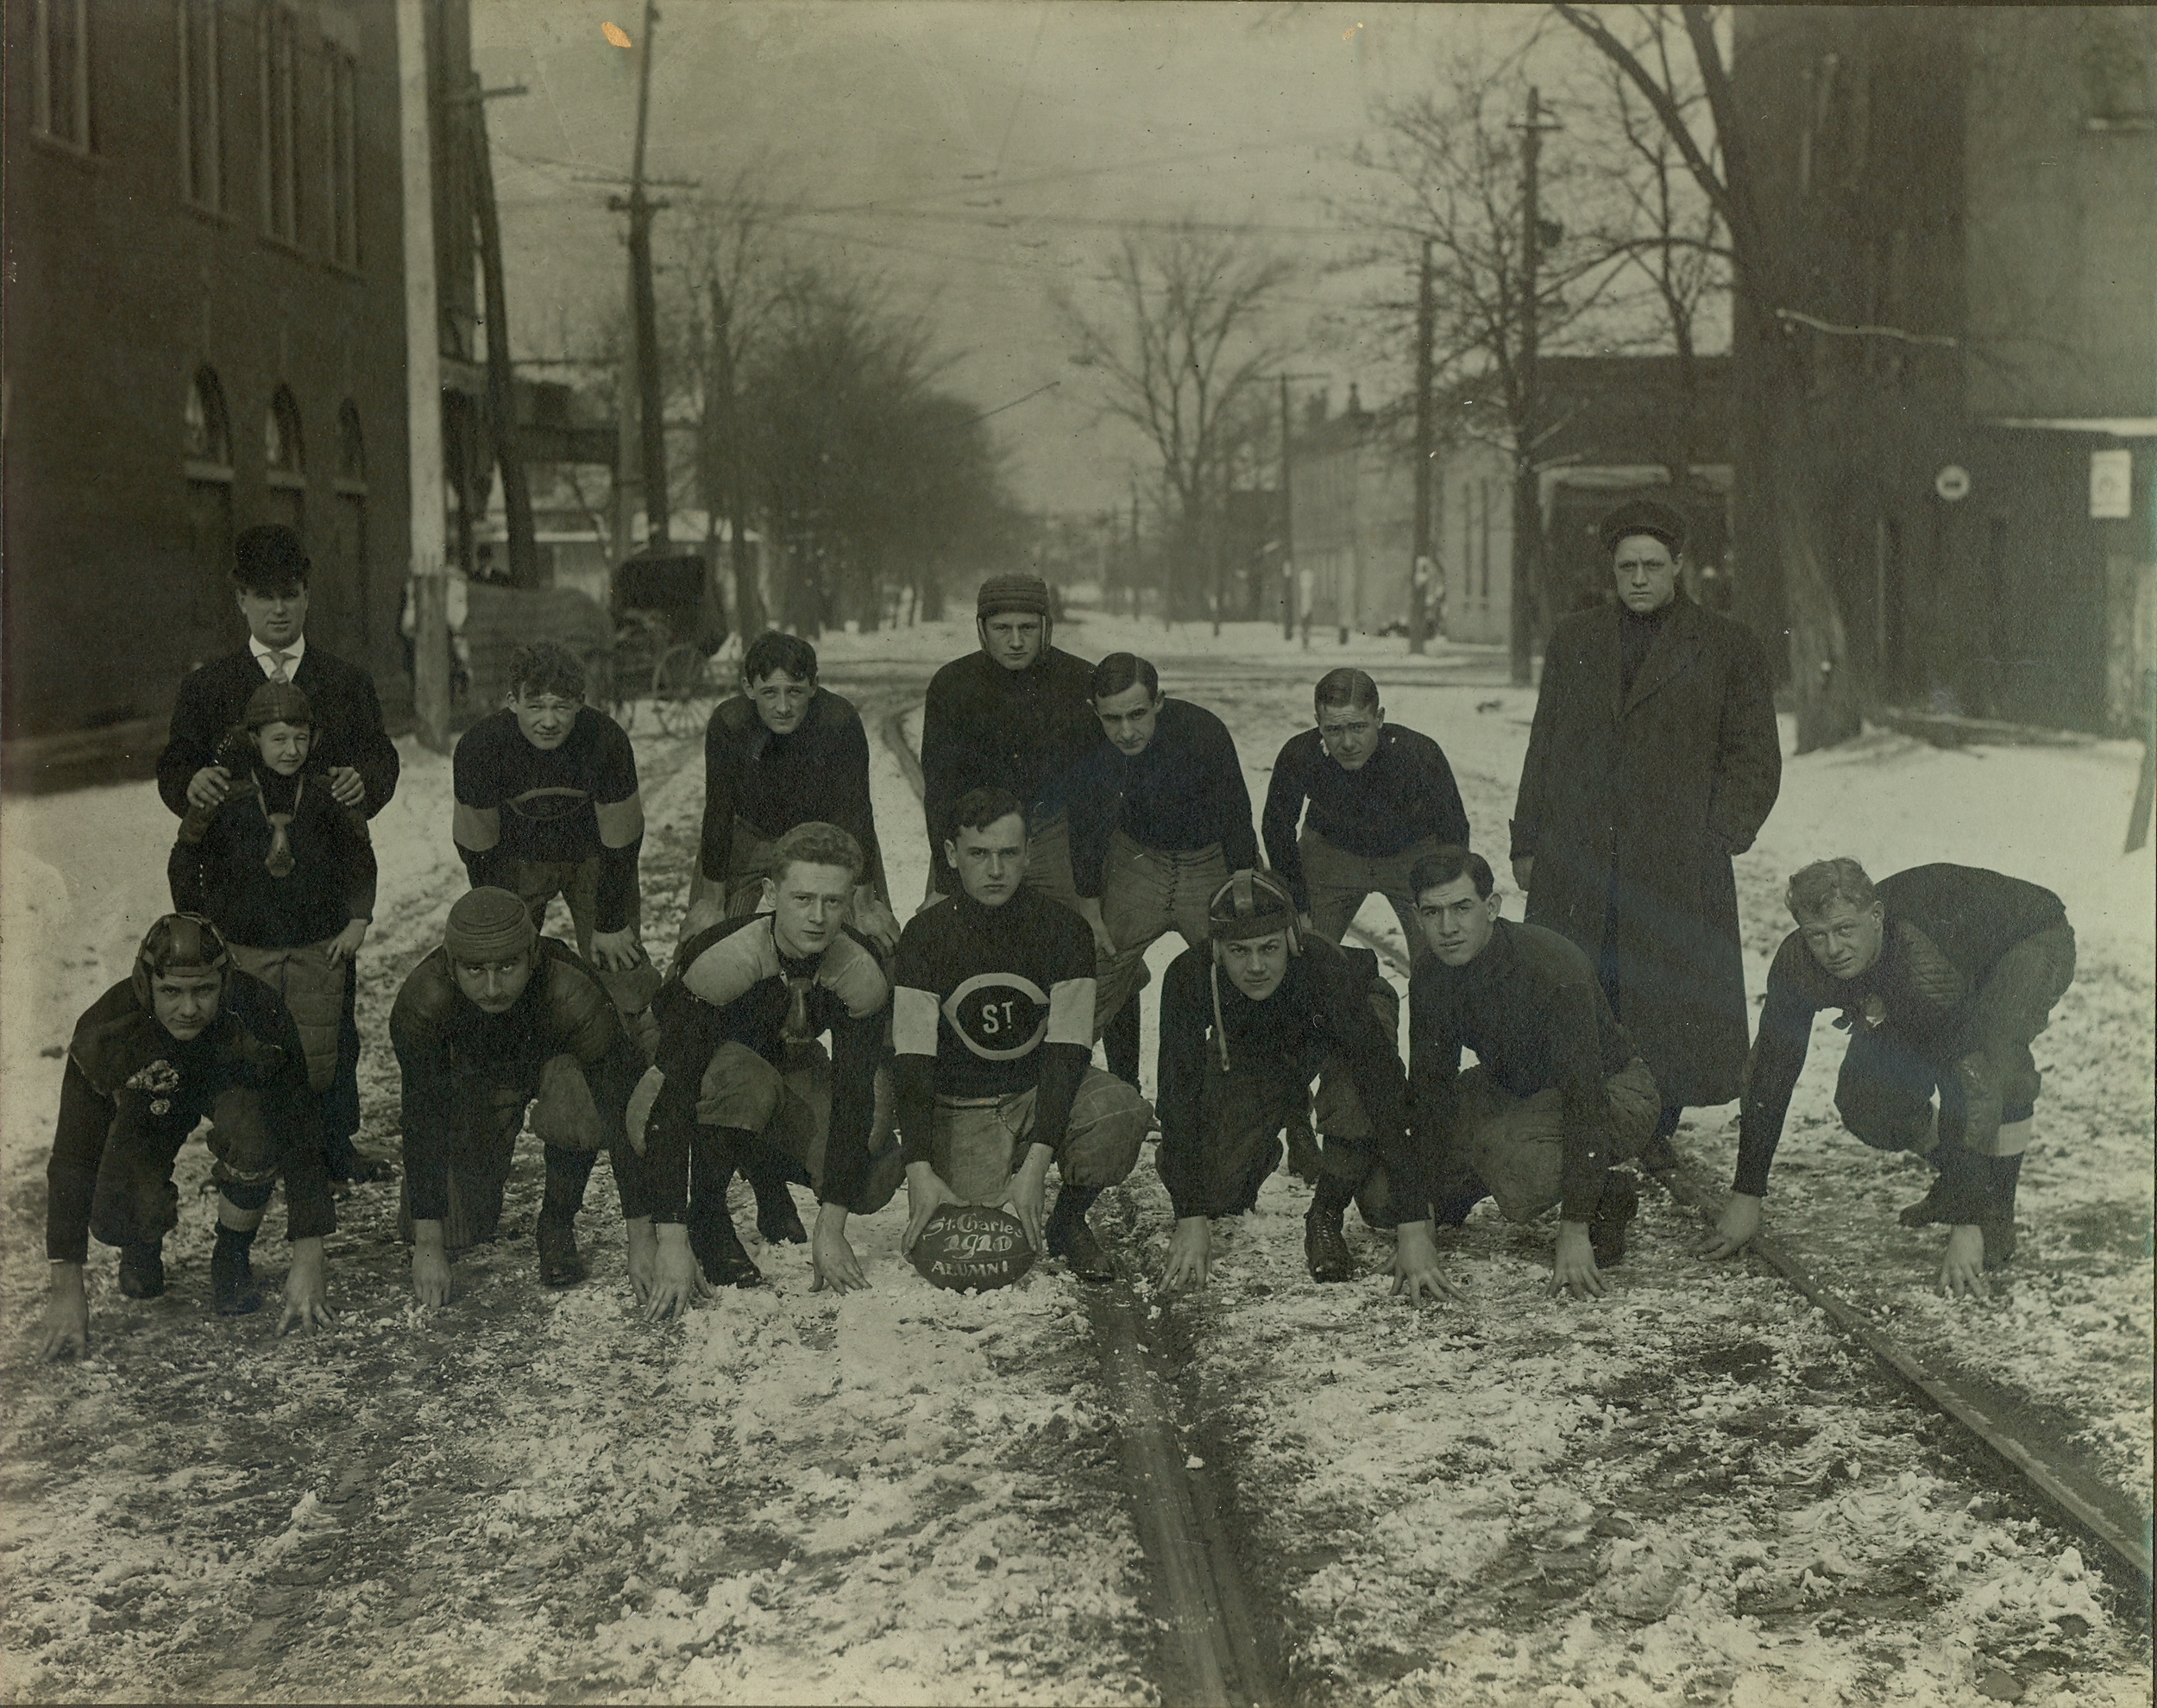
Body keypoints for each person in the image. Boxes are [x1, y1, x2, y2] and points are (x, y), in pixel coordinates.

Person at [1509, 498, 1781, 1167]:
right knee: (1585, 977)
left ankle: (1655, 1124)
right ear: (1611, 569)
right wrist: (1527, 837)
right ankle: (1593, 1110)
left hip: (1676, 855)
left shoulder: (1727, 644)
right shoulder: (1574, 639)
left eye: (1652, 565)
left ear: (1679, 566)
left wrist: (1718, 834)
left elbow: (1755, 756)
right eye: (1626, 566)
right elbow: (1544, 742)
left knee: (1663, 989)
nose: (1638, 578)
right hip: (1580, 847)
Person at [1701, 860, 2077, 1298]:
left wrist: (1966, 1220)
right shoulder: (1799, 962)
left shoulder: (1924, 963)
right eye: (1816, 934)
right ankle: (1958, 1177)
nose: (1833, 948)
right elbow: (1772, 1070)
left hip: (2028, 936)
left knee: (1998, 1054)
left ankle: (1993, 1211)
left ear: (1876, 915)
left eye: (1845, 929)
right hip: (1933, 955)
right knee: (1869, 1101)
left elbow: (1970, 1081)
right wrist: (1747, 1195)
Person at [158, 523, 399, 1184]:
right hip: (241, 890)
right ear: (240, 600)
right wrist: (190, 784)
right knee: (240, 1022)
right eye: (264, 596)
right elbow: (175, 762)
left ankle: (333, 1142)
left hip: (320, 885)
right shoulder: (210, 686)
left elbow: (380, 754)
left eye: (290, 594)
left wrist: (366, 782)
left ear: (307, 596)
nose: (278, 609)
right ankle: (245, 1142)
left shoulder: (344, 682)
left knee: (331, 1021)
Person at [636, 823, 905, 1314]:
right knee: (745, 1080)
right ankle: (709, 1215)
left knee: (874, 1169)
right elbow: (673, 1097)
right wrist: (670, 1238)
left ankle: (765, 1176)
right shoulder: (722, 958)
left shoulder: (858, 970)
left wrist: (832, 1225)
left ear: (851, 903)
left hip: (787, 1058)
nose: (817, 918)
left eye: (833, 902)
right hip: (690, 1070)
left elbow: (853, 1093)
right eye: (802, 899)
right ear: (770, 893)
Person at [40, 915, 337, 1356]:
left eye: (204, 990)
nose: (189, 1009)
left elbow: (301, 1134)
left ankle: (232, 1252)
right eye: (171, 992)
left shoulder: (261, 1014)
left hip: (230, 1086)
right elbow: (72, 1157)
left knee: (255, 1133)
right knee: (117, 1188)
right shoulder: (107, 1028)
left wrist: (309, 1256)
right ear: (146, 986)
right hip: (154, 1099)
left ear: (226, 983)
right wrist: (66, 1288)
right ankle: (142, 1241)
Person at [891, 787, 1155, 1282]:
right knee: (968, 1257)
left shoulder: (1064, 930)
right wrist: (919, 1168)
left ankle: (1069, 1220)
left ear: (1029, 853)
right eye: (979, 854)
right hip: (964, 1106)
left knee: (1120, 1112)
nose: (995, 870)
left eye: (1008, 854)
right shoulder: (924, 935)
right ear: (951, 855)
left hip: (1035, 1091)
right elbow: (912, 1059)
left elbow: (1067, 1052)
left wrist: (1037, 1164)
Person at [1154, 868, 1453, 1297]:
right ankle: (1279, 1131)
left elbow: (1384, 1090)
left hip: (1345, 1021)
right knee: (1215, 1193)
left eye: (1269, 948)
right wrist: (1189, 1219)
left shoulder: (1325, 967)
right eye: (1239, 950)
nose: (1255, 966)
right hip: (1262, 1046)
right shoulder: (1188, 976)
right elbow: (1176, 1093)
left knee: (1380, 1188)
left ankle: (1325, 1213)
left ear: (1293, 941)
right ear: (1217, 950)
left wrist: (1413, 1230)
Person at [1408, 848, 1661, 1300]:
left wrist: (1573, 1228)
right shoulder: (1430, 970)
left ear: (1492, 907)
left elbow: (1585, 1098)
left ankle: (1605, 1194)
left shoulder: (1549, 968)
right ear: (1417, 917)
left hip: (1613, 1089)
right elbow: (1430, 1089)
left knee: (1509, 1156)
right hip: (1516, 1086)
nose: (1447, 928)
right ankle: (1469, 1181)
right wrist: (1420, 1216)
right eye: (1433, 912)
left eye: (1462, 908)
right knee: (1389, 1196)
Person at [918, 575, 1142, 1083]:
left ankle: (1126, 1081)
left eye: (1027, 627)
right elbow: (940, 789)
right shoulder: (952, 685)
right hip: (983, 834)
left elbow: (1097, 796)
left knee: (1101, 946)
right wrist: (944, 877)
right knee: (950, 944)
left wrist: (1089, 892)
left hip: (1057, 832)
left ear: (1047, 627)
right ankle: (958, 1078)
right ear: (981, 630)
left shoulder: (1079, 681)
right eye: (1002, 628)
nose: (1015, 641)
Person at [389, 888, 655, 1300]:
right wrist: (428, 1245)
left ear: (532, 957)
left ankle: (556, 1220)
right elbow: (423, 1116)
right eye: (475, 971)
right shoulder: (423, 1001)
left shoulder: (573, 990)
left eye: (508, 966)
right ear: (450, 964)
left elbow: (618, 1106)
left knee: (579, 1107)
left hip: (557, 1064)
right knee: (459, 1231)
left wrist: (643, 1239)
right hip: (479, 1078)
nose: (493, 988)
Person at [167, 681, 375, 1137]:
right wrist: (203, 931)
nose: (291, 750)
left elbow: (360, 856)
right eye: (278, 739)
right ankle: (250, 1148)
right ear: (254, 739)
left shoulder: (329, 794)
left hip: (319, 948)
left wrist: (358, 919)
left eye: (301, 738)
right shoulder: (224, 798)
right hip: (248, 948)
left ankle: (328, 1150)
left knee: (323, 1051)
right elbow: (184, 860)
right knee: (248, 1050)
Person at [451, 639, 658, 1039]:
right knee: (506, 965)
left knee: (619, 963)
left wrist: (612, 920)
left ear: (581, 702)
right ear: (512, 701)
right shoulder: (480, 748)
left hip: (592, 857)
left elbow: (624, 839)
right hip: (516, 861)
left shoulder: (606, 740)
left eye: (561, 707)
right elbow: (477, 847)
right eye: (536, 706)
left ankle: (634, 1056)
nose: (549, 721)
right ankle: (515, 1054)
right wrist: (501, 924)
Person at [1072, 654, 1259, 1049]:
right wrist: (1089, 903)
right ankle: (1109, 1085)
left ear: (1159, 701)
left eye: (1138, 714)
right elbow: (1085, 822)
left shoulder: (1203, 730)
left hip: (1207, 862)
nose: (1126, 732)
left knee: (1241, 973)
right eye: (1112, 719)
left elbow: (1237, 812)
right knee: (1100, 975)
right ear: (1095, 711)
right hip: (1138, 862)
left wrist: (1243, 879)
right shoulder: (1087, 741)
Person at [678, 631, 896, 953]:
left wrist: (864, 905)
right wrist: (711, 902)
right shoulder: (729, 723)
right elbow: (719, 810)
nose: (783, 707)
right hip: (752, 837)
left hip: (826, 838)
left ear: (813, 685)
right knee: (701, 946)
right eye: (769, 692)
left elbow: (857, 811)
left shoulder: (840, 721)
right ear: (748, 688)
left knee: (875, 944)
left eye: (794, 691)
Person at [1261, 668, 1470, 948]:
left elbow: (1454, 829)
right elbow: (1277, 828)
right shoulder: (1300, 754)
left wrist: (1447, 896)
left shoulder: (1419, 753)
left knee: (1438, 957)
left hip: (1411, 856)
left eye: (1358, 727)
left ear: (1379, 718)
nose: (1347, 743)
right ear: (1318, 723)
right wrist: (1297, 905)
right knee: (1307, 953)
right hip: (1331, 856)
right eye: (1334, 730)